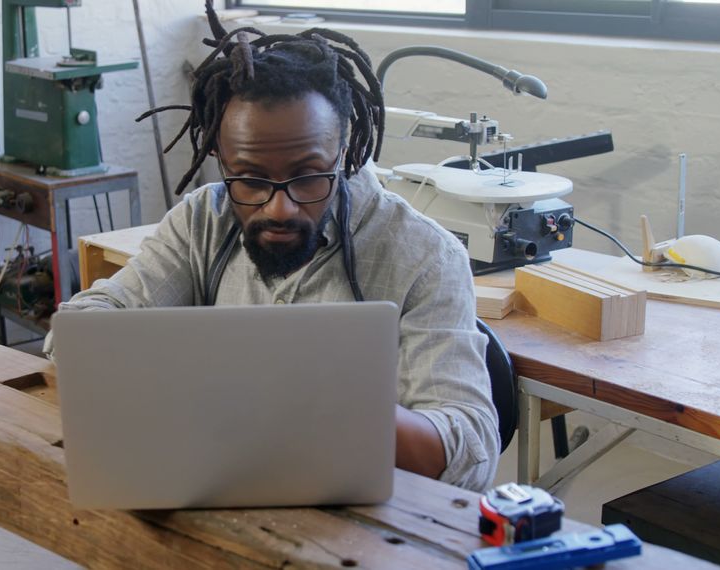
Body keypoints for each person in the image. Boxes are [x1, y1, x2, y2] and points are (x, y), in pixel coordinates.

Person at [45, 2, 498, 492]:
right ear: (219, 157)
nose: (279, 208)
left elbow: (470, 450)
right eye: (250, 179)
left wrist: (334, 404)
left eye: (307, 177)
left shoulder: (424, 258)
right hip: (217, 489)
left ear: (342, 151)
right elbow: (82, 331)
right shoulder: (203, 220)